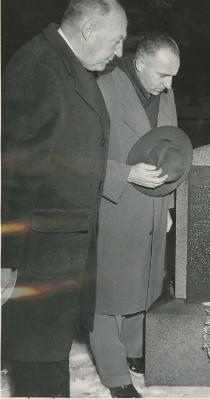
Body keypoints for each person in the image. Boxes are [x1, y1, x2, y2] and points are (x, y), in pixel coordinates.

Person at [1, 0, 127, 397]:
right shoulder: (37, 67)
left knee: (50, 363)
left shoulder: (68, 64)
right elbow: (12, 174)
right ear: (89, 30)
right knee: (39, 369)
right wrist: (5, 260)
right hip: (38, 261)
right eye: (118, 40)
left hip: (60, 256)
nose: (120, 51)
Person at [89, 34, 192, 398]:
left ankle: (134, 350)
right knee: (104, 293)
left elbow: (175, 148)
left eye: (174, 76)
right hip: (111, 204)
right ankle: (115, 373)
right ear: (140, 63)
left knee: (145, 281)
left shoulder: (166, 90)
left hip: (152, 206)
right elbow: (78, 152)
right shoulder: (101, 85)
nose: (169, 85)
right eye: (163, 75)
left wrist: (170, 206)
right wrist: (124, 173)